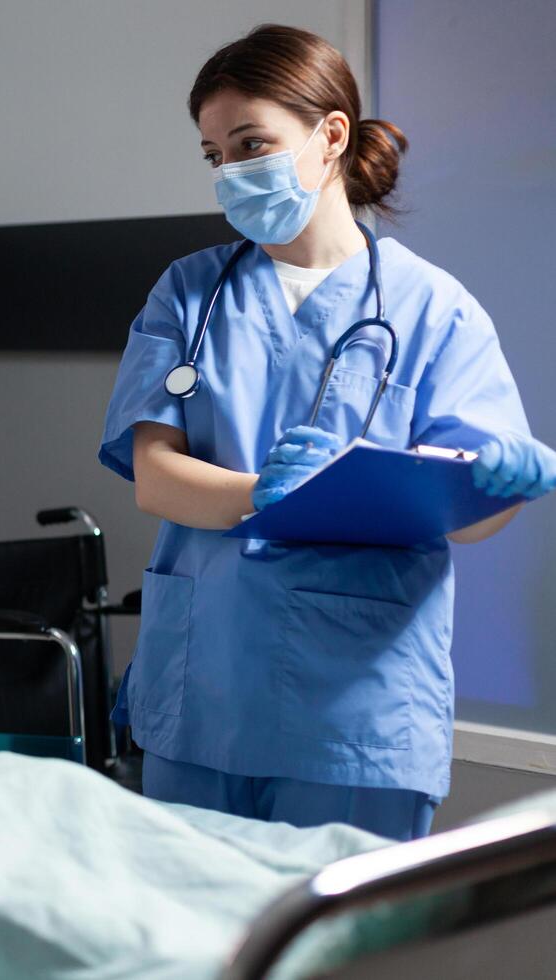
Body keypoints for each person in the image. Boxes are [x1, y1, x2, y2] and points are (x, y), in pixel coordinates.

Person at [99, 25, 556, 840]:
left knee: (337, 961)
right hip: (202, 692)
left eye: (252, 144)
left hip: (358, 713)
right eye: (215, 156)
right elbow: (157, 476)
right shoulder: (190, 294)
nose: (233, 174)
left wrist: (497, 490)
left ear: (330, 135)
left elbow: (469, 510)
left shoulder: (433, 309)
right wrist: (263, 494)